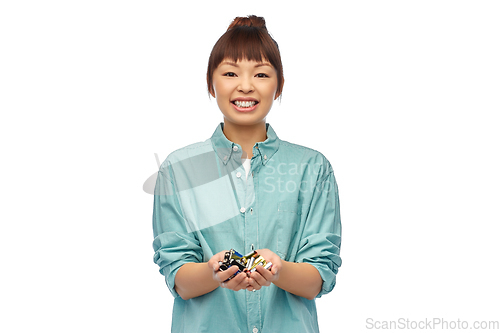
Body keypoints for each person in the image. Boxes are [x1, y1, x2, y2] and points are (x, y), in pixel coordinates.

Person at [152, 15, 342, 333]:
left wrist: (278, 270)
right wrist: (213, 271)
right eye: (230, 73)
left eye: (261, 74)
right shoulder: (178, 170)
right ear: (211, 83)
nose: (245, 86)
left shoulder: (313, 168)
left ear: (279, 85)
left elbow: (319, 277)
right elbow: (179, 279)